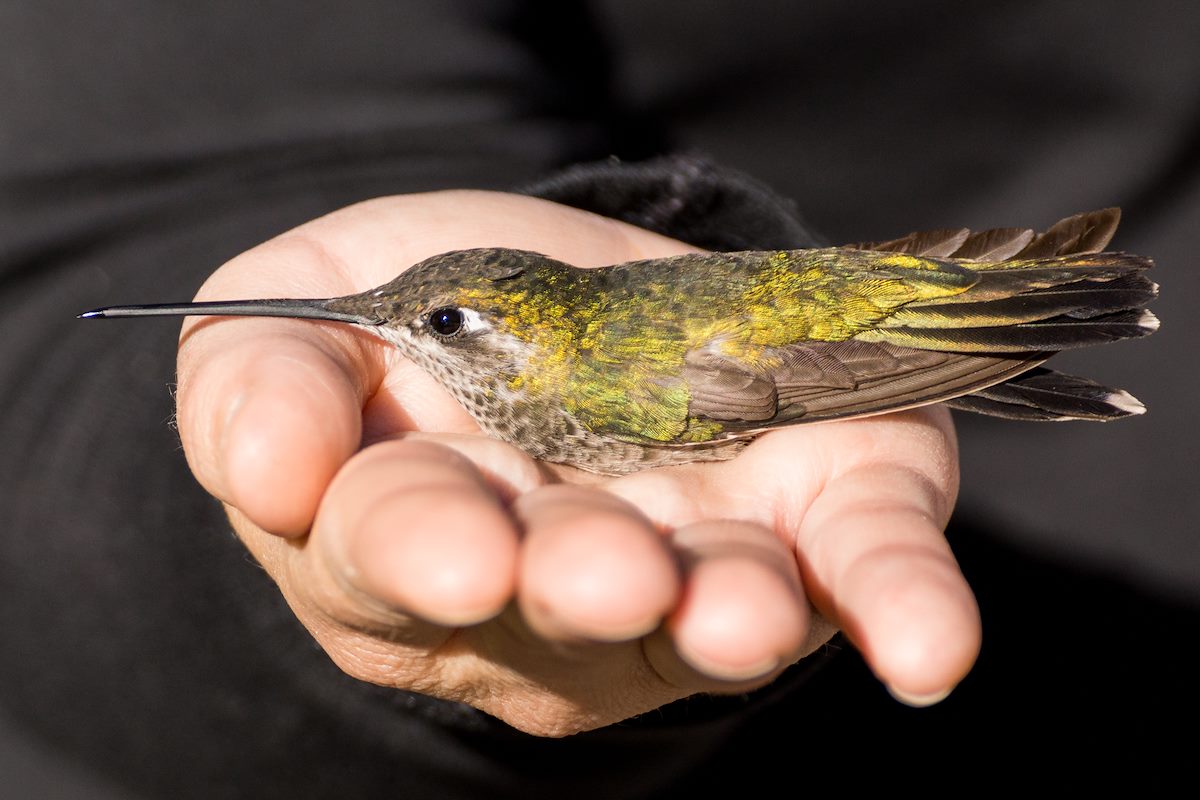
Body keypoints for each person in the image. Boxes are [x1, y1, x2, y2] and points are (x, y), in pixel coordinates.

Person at [2, 3, 1195, 795]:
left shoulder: (598, 382)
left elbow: (784, 360)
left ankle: (1027, 302)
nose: (403, 332)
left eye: (442, 325)